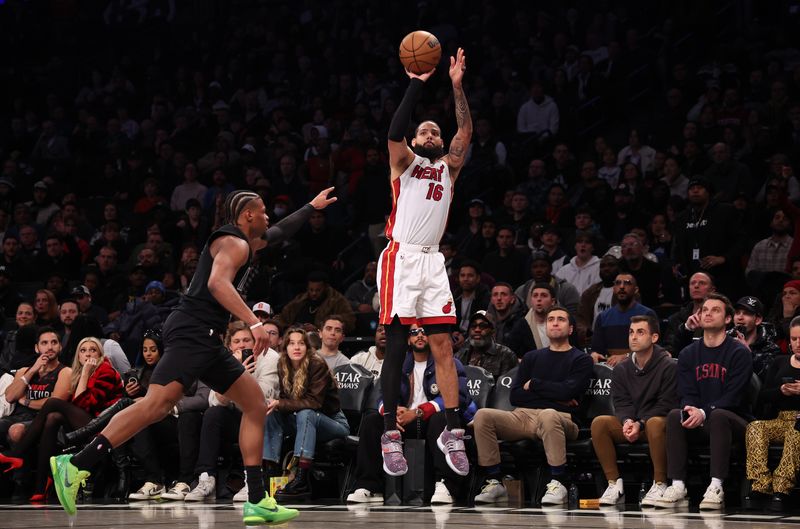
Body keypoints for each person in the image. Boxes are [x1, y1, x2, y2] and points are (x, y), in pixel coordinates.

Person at [48, 189, 339, 524]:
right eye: (263, 211)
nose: (267, 216)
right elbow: (217, 284)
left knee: (256, 405)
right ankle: (76, 465)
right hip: (193, 333)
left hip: (207, 339)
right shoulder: (235, 243)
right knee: (154, 406)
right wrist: (255, 322)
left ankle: (257, 499)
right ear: (247, 215)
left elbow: (276, 234)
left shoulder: (245, 242)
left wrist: (309, 207)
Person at [377, 47, 472, 478]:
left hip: (434, 263)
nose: (433, 134)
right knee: (395, 346)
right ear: (416, 142)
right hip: (402, 256)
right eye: (426, 131)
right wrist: (417, 82)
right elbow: (395, 129)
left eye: (437, 130)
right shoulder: (405, 164)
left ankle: (453, 430)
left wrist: (456, 87)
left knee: (443, 347)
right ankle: (388, 434)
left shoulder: (449, 168)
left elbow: (465, 131)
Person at [472, 306, 593, 505]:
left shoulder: (581, 359)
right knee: (483, 415)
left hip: (563, 419)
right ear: (545, 327)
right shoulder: (531, 357)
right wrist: (555, 394)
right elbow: (517, 397)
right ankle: (494, 482)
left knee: (548, 414)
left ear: (570, 329)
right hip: (523, 416)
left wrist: (535, 385)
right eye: (551, 319)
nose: (554, 322)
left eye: (561, 319)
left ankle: (558, 482)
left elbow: (568, 393)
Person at [347, 323, 476, 505]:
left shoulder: (449, 362)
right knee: (372, 421)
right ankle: (369, 486)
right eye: (414, 332)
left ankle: (446, 485)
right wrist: (391, 412)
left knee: (442, 420)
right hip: (403, 421)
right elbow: (382, 396)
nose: (420, 336)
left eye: (424, 332)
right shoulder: (398, 363)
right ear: (407, 338)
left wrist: (419, 412)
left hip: (431, 420)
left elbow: (459, 397)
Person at [657, 293, 754, 510]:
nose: (708, 313)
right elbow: (686, 392)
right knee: (675, 415)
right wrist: (692, 410)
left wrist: (704, 411)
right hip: (702, 420)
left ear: (728, 319)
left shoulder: (739, 352)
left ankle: (716, 486)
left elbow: (734, 397)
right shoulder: (688, 353)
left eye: (715, 310)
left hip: (735, 421)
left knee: (718, 415)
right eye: (704, 310)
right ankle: (678, 485)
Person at [0, 336, 122, 500]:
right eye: (83, 351)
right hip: (86, 423)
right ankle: (40, 486)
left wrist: (85, 372)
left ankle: (17, 453)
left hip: (105, 425)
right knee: (52, 418)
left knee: (53, 403)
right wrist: (84, 373)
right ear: (78, 356)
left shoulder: (105, 370)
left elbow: (83, 405)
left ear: (100, 354)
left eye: (93, 350)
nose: (88, 354)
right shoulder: (79, 373)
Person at [590, 315, 677, 506]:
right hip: (635, 424)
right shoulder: (622, 368)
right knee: (600, 423)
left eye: (640, 332)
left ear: (654, 337)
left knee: (655, 422)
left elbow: (666, 404)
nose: (634, 337)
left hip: (657, 425)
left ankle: (660, 483)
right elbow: (620, 402)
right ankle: (614, 485)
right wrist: (627, 421)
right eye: (631, 332)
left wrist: (640, 423)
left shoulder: (669, 366)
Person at [262, 327, 350, 500]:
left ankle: (300, 477)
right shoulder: (282, 365)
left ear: (307, 347)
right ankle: (269, 474)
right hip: (303, 422)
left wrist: (281, 403)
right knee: (272, 413)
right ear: (285, 347)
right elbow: (286, 402)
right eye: (292, 343)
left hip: (334, 422)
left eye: (301, 343)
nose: (296, 347)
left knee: (306, 413)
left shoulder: (317, 364)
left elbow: (314, 402)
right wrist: (276, 404)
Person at [744, 315, 800, 511]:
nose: (798, 343)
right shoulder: (779, 362)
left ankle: (782, 487)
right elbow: (763, 396)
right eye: (794, 339)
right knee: (755, 427)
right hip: (781, 419)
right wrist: (781, 391)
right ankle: (761, 485)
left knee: (797, 430)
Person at [2, 328, 72, 446]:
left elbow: (55, 402)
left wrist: (25, 401)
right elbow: (10, 397)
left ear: (60, 347)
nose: (50, 347)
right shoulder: (24, 371)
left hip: (43, 419)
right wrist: (33, 370)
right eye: (44, 343)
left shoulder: (65, 372)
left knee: (16, 431)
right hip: (18, 417)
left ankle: (18, 461)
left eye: (54, 342)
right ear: (36, 348)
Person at [590, 273, 656, 366]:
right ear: (613, 289)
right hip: (609, 370)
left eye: (627, 283)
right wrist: (594, 354)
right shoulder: (603, 317)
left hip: (640, 368)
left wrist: (626, 356)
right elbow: (596, 349)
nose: (621, 286)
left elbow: (653, 348)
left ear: (636, 290)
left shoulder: (647, 314)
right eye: (617, 283)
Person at [455, 311, 518, 379]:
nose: (477, 330)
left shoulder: (505, 355)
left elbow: (506, 386)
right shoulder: (460, 355)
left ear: (492, 330)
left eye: (482, 326)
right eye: (473, 326)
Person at [733, 296, 781, 380]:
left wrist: (747, 353)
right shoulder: (724, 339)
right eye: (737, 312)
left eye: (746, 313)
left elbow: (767, 377)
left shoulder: (770, 348)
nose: (740, 317)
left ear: (757, 320)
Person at [505, 282, 556, 358]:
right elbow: (511, 355)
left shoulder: (563, 323)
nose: (539, 299)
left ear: (553, 301)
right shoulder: (521, 326)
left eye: (544, 296)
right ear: (531, 300)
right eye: (535, 296)